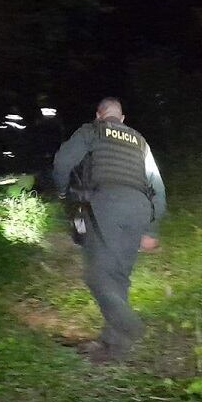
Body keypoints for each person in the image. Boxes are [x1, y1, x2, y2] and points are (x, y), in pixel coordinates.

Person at [53, 98, 166, 363]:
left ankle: (132, 327)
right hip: (139, 209)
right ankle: (114, 346)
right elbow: (158, 188)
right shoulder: (140, 141)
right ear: (122, 118)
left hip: (106, 205)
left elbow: (62, 162)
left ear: (99, 115)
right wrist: (152, 228)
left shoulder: (93, 130)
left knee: (97, 276)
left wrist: (61, 191)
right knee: (118, 278)